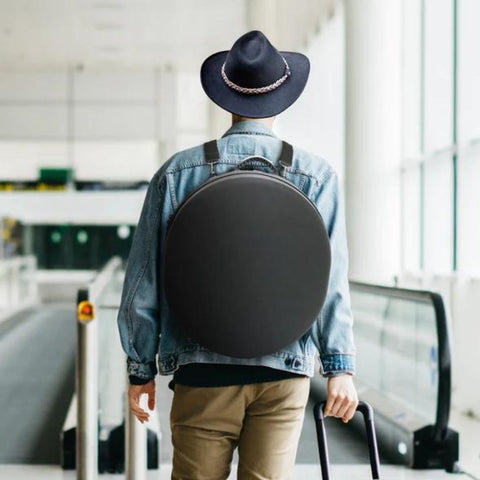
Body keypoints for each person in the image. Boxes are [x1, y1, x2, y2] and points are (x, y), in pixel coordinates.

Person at [117, 30, 359, 479]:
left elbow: (144, 280)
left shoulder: (177, 173)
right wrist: (339, 367)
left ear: (225, 97)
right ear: (282, 101)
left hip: (201, 370)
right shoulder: (317, 176)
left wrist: (140, 369)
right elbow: (329, 282)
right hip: (285, 373)